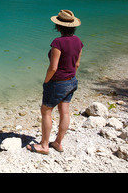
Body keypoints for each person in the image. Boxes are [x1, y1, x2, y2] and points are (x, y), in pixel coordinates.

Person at [27, 10, 83, 155]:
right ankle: (58, 143)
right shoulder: (78, 41)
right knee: (64, 111)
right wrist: (70, 78)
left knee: (46, 111)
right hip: (72, 81)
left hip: (58, 82)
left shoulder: (58, 43)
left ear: (58, 26)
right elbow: (76, 64)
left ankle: (44, 145)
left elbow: (53, 67)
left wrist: (46, 82)